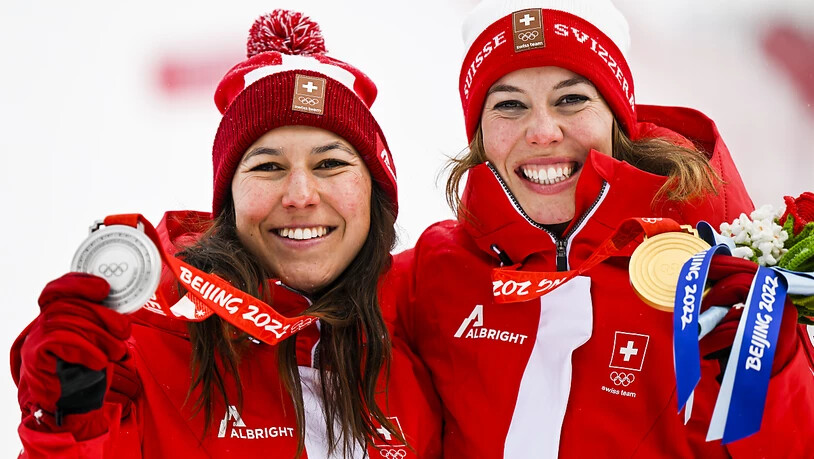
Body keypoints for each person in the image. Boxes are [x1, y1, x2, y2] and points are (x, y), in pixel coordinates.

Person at [390, 0, 814, 457]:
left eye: (571, 99)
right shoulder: (430, 275)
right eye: (509, 105)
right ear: (479, 135)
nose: (542, 131)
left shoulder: (715, 277)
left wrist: (774, 371)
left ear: (618, 119)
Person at [11, 10, 441, 458]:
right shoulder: (141, 351)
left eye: (330, 164)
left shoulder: (421, 342)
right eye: (268, 167)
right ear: (229, 204)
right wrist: (69, 418)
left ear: (376, 189)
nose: (299, 195)